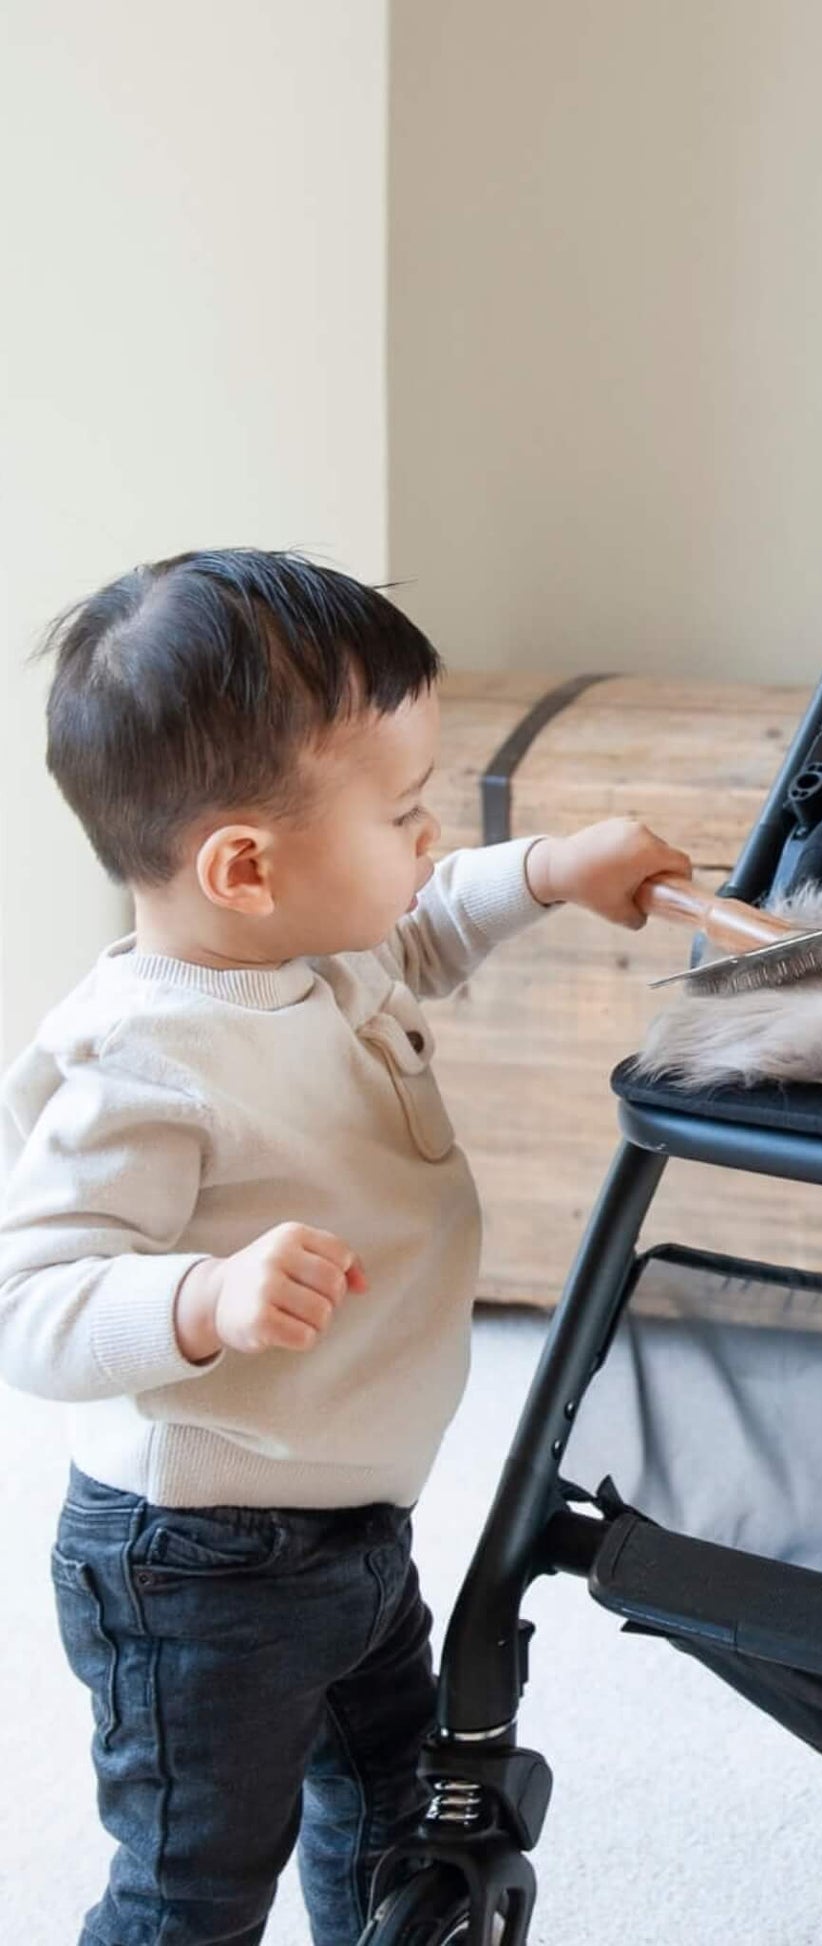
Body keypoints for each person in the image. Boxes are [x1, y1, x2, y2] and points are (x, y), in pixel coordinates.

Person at [0, 549, 691, 1944]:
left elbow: (424, 923)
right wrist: (200, 1295)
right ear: (245, 866)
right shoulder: (142, 1057)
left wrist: (551, 869)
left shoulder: (322, 946)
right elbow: (30, 1297)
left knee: (395, 1828)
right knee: (192, 1884)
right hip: (196, 1566)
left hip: (354, 1527)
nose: (428, 839)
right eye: (404, 812)